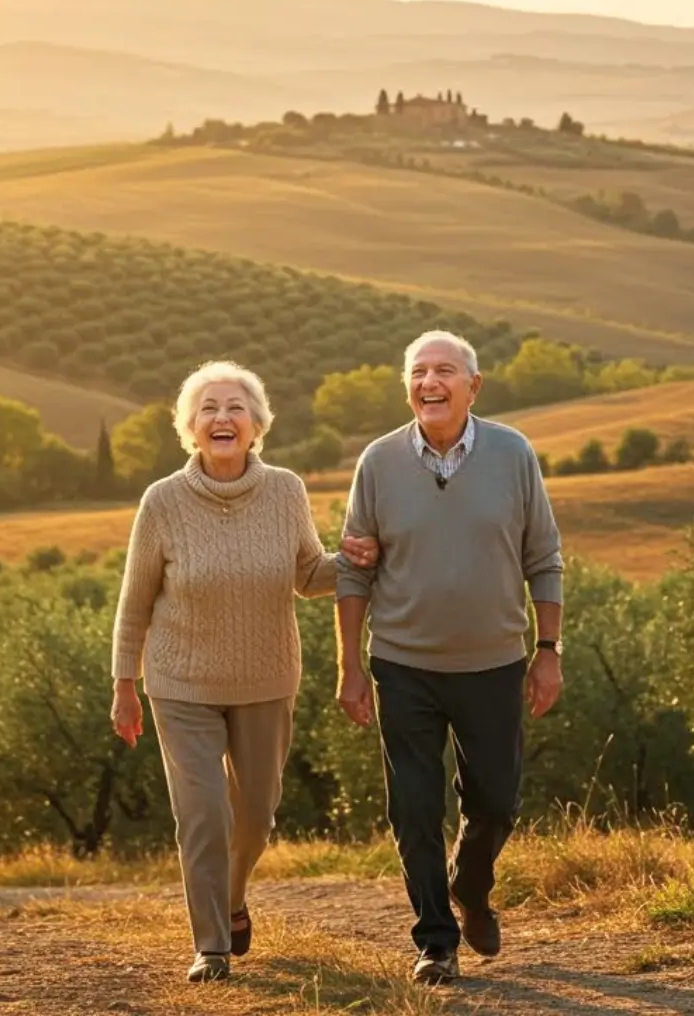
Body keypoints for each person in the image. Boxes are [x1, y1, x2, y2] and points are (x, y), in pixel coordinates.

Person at [109, 360, 379, 984]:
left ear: (256, 425)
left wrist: (360, 558)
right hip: (182, 684)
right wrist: (124, 686)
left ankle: (232, 899)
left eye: (235, 407)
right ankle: (211, 946)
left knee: (256, 816)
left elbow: (308, 574)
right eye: (208, 409)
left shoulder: (285, 490)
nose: (222, 417)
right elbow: (135, 600)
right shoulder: (163, 502)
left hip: (266, 679)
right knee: (204, 814)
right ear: (191, 429)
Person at [334, 329, 565, 986]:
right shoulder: (377, 462)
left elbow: (544, 559)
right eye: (418, 372)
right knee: (412, 806)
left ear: (473, 385)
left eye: (444, 371)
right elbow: (354, 570)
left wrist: (547, 652)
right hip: (403, 664)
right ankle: (436, 940)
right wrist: (350, 666)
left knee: (495, 802)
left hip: (494, 664)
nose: (429, 383)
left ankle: (471, 885)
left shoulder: (512, 454)